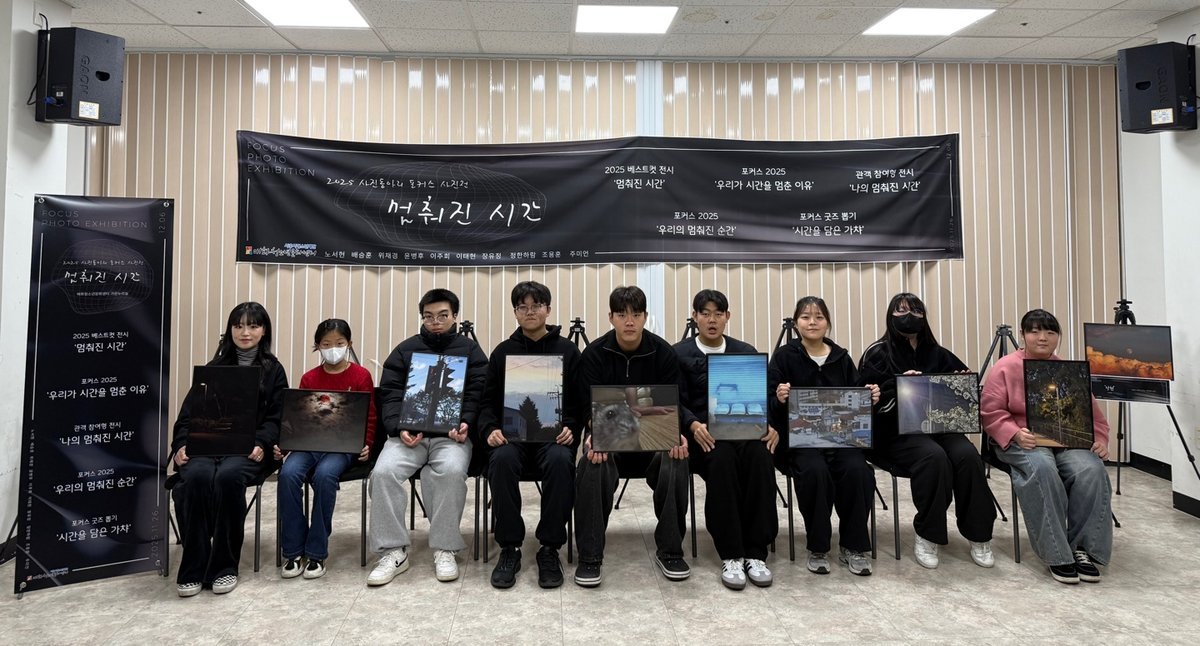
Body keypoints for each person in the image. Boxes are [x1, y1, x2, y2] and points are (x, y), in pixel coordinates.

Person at [858, 292, 996, 569]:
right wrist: (899, 386)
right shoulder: (877, 354)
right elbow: (864, 404)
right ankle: (928, 534)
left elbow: (965, 395)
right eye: (901, 311)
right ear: (890, 315)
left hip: (941, 428)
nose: (909, 316)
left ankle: (979, 535)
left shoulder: (938, 353)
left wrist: (961, 384)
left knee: (968, 456)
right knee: (933, 458)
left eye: (915, 311)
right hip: (895, 434)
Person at [980, 308, 1112, 584]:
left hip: (1066, 440)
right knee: (1042, 468)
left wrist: (1100, 439)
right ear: (1022, 335)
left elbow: (1092, 414)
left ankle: (1082, 549)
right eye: (1035, 331)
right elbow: (990, 412)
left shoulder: (1067, 371)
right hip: (1023, 440)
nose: (1043, 338)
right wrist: (1015, 433)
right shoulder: (1005, 367)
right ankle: (1057, 553)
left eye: (1050, 332)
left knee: (1091, 470)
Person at [366, 289, 488, 586]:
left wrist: (465, 422)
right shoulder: (405, 350)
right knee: (383, 473)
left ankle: (445, 548)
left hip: (452, 436)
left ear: (455, 316)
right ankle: (393, 550)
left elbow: (478, 392)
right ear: (422, 318)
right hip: (409, 435)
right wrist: (398, 427)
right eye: (429, 317)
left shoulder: (470, 351)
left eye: (443, 316)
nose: (436, 322)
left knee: (451, 471)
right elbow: (391, 393)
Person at [169, 302, 288, 597]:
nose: (245, 332)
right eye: (238, 326)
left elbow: (277, 419)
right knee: (195, 476)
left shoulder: (273, 370)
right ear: (230, 330)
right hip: (207, 448)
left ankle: (224, 566)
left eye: (253, 326)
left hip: (247, 452)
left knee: (228, 477)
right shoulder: (214, 368)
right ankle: (193, 568)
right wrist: (182, 445)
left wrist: (261, 443)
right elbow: (187, 416)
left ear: (264, 331)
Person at [574, 286, 690, 587]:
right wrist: (595, 433)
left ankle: (671, 551)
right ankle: (590, 556)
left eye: (636, 315)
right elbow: (586, 406)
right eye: (622, 314)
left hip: (650, 440)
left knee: (676, 458)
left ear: (645, 317)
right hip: (611, 437)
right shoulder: (595, 354)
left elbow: (672, 403)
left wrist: (676, 434)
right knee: (592, 461)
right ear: (610, 317)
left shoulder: (662, 352)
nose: (629, 321)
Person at [477, 281, 584, 589]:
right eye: (522, 307)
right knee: (501, 460)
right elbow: (486, 404)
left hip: (553, 438)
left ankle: (549, 548)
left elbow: (579, 402)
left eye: (536, 305)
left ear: (548, 309)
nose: (530, 312)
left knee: (561, 461)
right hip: (512, 438)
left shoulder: (568, 351)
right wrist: (490, 430)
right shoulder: (503, 352)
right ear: (515, 312)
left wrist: (571, 426)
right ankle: (509, 547)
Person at [674, 289, 779, 590]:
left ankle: (756, 552)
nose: (712, 320)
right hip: (703, 438)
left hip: (743, 431)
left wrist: (769, 425)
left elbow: (762, 396)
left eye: (718, 314)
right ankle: (731, 553)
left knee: (761, 456)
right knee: (722, 459)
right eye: (705, 313)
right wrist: (693, 424)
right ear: (694, 317)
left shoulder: (744, 352)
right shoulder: (678, 354)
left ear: (727, 317)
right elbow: (675, 400)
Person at [768, 296, 879, 576]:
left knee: (859, 471)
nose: (812, 322)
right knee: (814, 472)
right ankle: (818, 546)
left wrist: (871, 397)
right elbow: (767, 403)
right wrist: (779, 398)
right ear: (796, 323)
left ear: (827, 323)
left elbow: (858, 401)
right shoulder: (783, 357)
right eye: (805, 317)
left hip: (841, 441)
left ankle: (854, 545)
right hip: (800, 442)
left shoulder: (842, 358)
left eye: (819, 317)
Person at [274, 319, 377, 580]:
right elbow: (298, 417)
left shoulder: (361, 375)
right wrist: (285, 446)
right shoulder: (309, 378)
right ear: (318, 346)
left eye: (339, 343)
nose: (333, 349)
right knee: (288, 474)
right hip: (309, 445)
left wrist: (366, 444)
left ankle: (316, 552)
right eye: (327, 344)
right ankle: (293, 551)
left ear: (349, 344)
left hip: (343, 447)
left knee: (324, 476)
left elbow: (370, 416)